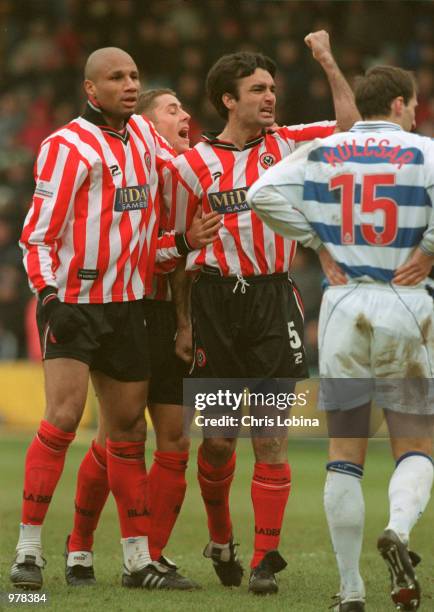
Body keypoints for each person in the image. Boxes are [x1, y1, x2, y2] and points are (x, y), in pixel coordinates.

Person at [161, 31, 359, 595]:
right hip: (216, 303)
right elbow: (177, 252)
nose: (270, 97)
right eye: (257, 89)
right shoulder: (190, 166)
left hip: (275, 299)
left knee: (271, 436)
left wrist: (326, 57)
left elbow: (350, 127)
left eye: (271, 88)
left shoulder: (291, 143)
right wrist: (182, 321)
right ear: (228, 98)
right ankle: (221, 537)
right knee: (220, 441)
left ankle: (264, 560)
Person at [11, 47, 209, 592]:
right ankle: (28, 554)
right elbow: (37, 233)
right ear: (90, 90)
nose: (128, 84)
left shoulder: (145, 138)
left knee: (125, 433)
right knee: (63, 418)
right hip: (74, 303)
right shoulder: (66, 146)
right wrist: (49, 296)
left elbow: (190, 175)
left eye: (134, 76)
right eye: (116, 77)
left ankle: (136, 561)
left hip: (128, 309)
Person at [248, 65, 434, 611]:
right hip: (407, 303)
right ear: (399, 104)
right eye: (415, 103)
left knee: (344, 453)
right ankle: (398, 529)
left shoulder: (324, 152)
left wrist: (314, 242)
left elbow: (261, 194)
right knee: (416, 446)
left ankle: (351, 590)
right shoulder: (425, 153)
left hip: (343, 302)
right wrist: (427, 251)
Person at [64, 88, 220, 589]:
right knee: (115, 438)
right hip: (129, 310)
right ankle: (78, 547)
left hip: (173, 316)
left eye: (184, 109)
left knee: (174, 436)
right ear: (145, 129)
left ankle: (149, 556)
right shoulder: (135, 173)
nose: (185, 117)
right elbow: (132, 253)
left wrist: (187, 319)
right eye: (172, 110)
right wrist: (182, 245)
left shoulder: (192, 177)